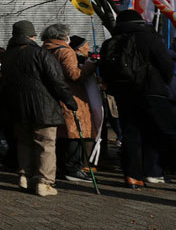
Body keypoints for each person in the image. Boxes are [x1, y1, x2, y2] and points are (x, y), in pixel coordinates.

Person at [100, 10, 176, 188]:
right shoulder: (149, 38)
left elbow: (104, 70)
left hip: (123, 93)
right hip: (151, 91)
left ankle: (132, 176)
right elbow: (166, 64)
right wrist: (160, 82)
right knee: (168, 130)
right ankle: (163, 170)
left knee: (130, 134)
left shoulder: (110, 42)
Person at [2, 20, 77, 197]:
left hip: (18, 107)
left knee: (24, 142)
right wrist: (69, 101)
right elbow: (57, 82)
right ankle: (44, 183)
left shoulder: (7, 56)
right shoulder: (39, 53)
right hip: (43, 107)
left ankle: (24, 176)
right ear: (32, 35)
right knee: (46, 144)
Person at [41, 24, 96, 184]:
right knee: (74, 131)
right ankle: (72, 168)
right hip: (71, 95)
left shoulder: (44, 49)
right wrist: (88, 67)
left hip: (51, 95)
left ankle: (61, 167)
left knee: (61, 134)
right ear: (63, 36)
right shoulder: (65, 51)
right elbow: (74, 75)